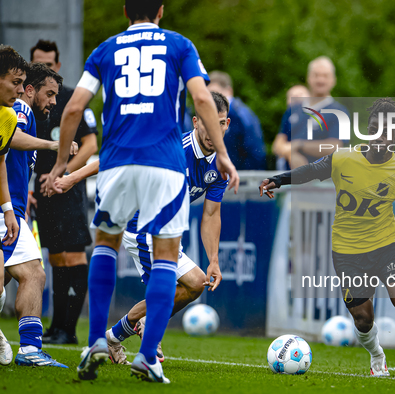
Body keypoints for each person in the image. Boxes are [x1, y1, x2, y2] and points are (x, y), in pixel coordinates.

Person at [40, 0, 239, 383]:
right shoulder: (179, 45)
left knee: (104, 245)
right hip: (162, 162)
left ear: (125, 11)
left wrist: (62, 165)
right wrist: (226, 153)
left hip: (117, 159)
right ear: (161, 11)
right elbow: (200, 98)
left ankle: (98, 339)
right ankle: (146, 355)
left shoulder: (105, 49)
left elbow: (72, 109)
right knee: (166, 256)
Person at [260, 98, 395, 377]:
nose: (378, 135)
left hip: (386, 247)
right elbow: (311, 171)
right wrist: (279, 179)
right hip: (347, 252)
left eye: (385, 131)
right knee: (363, 320)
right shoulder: (343, 158)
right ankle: (377, 356)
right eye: (373, 128)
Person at [52, 92, 230, 365]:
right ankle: (148, 337)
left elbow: (211, 214)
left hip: (167, 231)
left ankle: (114, 336)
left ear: (226, 124)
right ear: (195, 122)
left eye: (219, 123)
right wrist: (73, 178)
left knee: (195, 286)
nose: (212, 130)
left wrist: (214, 260)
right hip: (141, 227)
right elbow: (119, 157)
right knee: (172, 288)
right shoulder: (171, 147)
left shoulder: (221, 165)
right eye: (206, 122)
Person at [5, 62, 79, 368]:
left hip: (14, 211)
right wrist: (54, 144)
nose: (52, 102)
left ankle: (30, 350)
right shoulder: (20, 108)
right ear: (30, 89)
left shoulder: (26, 114)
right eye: (49, 94)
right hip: (4, 211)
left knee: (34, 273)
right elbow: (12, 138)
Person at [30, 39, 98, 345]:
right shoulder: (25, 105)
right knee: (55, 257)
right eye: (37, 64)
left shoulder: (70, 99)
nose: (43, 68)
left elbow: (91, 145)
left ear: (57, 67)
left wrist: (66, 174)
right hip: (40, 189)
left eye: (48, 63)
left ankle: (69, 329)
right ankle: (57, 327)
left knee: (73, 256)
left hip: (67, 189)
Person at [0, 45, 28, 366]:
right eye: (15, 82)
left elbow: (1, 163)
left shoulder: (8, 117)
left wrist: (8, 208)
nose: (21, 91)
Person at [273, 56, 348, 169]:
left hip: (323, 182)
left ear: (333, 80)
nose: (320, 80)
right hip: (288, 182)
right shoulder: (294, 109)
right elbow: (277, 144)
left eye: (325, 76)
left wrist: (299, 145)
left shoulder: (339, 112)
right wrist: (291, 154)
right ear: (308, 78)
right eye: (316, 75)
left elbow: (335, 146)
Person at [207, 71, 266, 170]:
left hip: (240, 179)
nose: (211, 98)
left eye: (215, 93)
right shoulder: (215, 114)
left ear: (229, 91)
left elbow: (255, 152)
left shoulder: (241, 116)